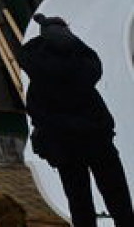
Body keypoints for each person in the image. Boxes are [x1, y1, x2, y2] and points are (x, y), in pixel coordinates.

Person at [20, 14, 134, 227]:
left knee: (78, 198)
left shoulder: (40, 77)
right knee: (116, 194)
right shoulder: (82, 65)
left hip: (65, 147)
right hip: (97, 140)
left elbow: (36, 113)